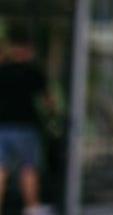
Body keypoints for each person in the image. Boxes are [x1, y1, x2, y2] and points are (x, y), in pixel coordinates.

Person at [0, 24, 54, 215]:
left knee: (1, 169)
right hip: (25, 126)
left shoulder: (2, 70)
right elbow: (49, 102)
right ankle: (31, 207)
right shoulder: (33, 72)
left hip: (2, 125)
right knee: (28, 168)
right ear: (27, 49)